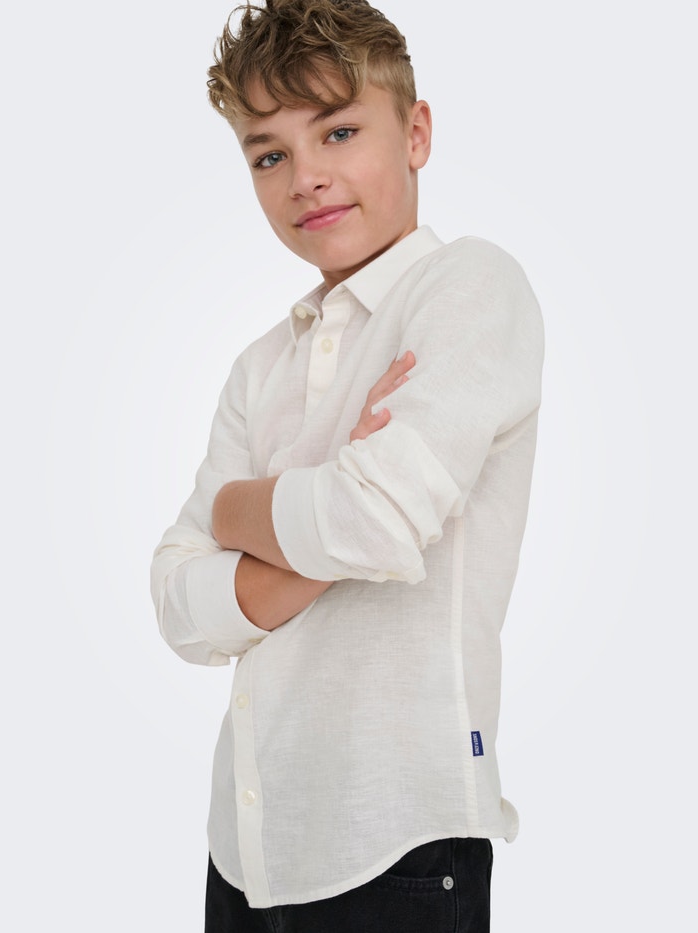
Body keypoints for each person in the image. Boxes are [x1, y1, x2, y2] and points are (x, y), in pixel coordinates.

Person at [150, 1, 544, 930]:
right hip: (246, 847)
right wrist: (323, 505)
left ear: (416, 133)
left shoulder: (469, 286)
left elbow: (376, 522)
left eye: (338, 131)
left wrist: (237, 512)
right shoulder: (261, 365)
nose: (307, 177)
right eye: (269, 155)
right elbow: (176, 603)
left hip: (395, 842)